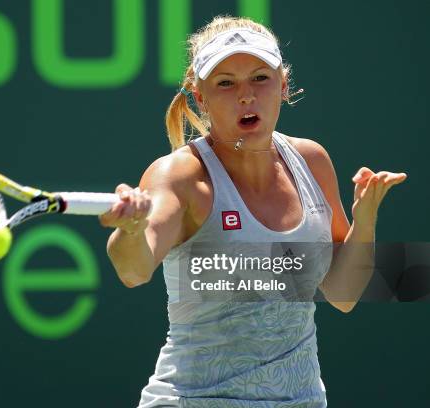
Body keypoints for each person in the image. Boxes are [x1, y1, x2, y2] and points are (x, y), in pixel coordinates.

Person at [100, 15, 407, 407]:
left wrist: (364, 225)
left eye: (260, 78)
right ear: (200, 96)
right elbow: (133, 269)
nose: (246, 95)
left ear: (283, 85)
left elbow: (343, 294)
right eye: (225, 83)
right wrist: (130, 229)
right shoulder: (179, 176)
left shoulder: (311, 161)